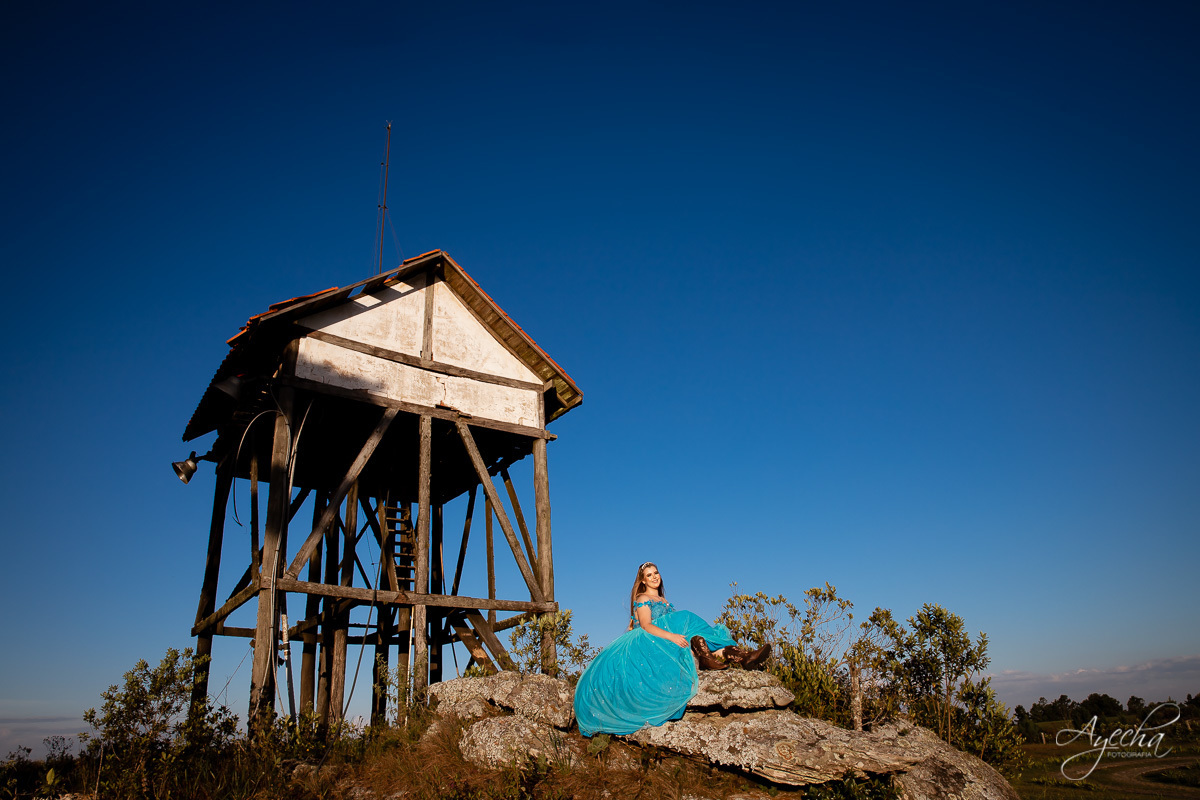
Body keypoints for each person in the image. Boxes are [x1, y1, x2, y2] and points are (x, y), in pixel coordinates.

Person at [573, 561, 770, 737]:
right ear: (642, 581)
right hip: (652, 638)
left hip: (670, 636)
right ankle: (709, 649)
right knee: (686, 619)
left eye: (656, 573)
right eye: (649, 575)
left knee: (695, 634)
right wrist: (672, 636)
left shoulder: (666, 602)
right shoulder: (642, 598)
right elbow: (647, 626)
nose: (654, 577)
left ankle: (743, 657)